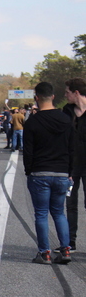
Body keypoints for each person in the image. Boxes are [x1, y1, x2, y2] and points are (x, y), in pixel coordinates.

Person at [23, 81, 73, 264]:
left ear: (36, 98)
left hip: (40, 173)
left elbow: (28, 151)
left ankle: (45, 253)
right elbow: (71, 148)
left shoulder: (33, 122)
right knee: (59, 212)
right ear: (53, 97)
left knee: (41, 213)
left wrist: (29, 171)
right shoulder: (66, 120)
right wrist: (69, 172)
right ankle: (66, 250)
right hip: (61, 173)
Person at [62, 77, 86, 252]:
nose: (65, 95)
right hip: (71, 166)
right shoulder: (67, 111)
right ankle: (71, 241)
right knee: (70, 204)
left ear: (76, 92)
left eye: (67, 92)